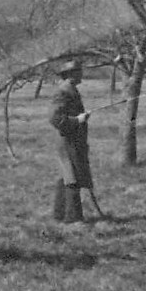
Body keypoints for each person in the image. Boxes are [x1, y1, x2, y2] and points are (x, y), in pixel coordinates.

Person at [49, 59, 93, 224]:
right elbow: (55, 118)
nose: (81, 74)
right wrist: (77, 120)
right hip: (67, 141)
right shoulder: (63, 91)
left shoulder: (71, 90)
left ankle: (59, 214)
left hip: (72, 140)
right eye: (78, 71)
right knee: (72, 177)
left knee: (65, 176)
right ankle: (73, 219)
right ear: (70, 75)